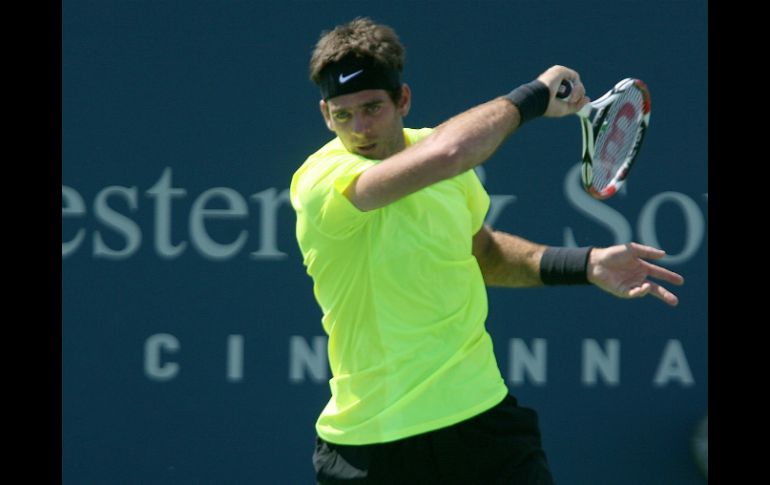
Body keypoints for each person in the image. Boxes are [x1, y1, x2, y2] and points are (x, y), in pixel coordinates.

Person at [290, 17, 684, 485]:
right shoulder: (321, 180)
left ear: (403, 100)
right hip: (375, 447)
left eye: (372, 108)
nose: (359, 128)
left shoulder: (442, 162)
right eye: (342, 114)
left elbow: (485, 253)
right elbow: (449, 152)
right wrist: (533, 96)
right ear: (324, 115)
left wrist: (586, 263)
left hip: (483, 423)